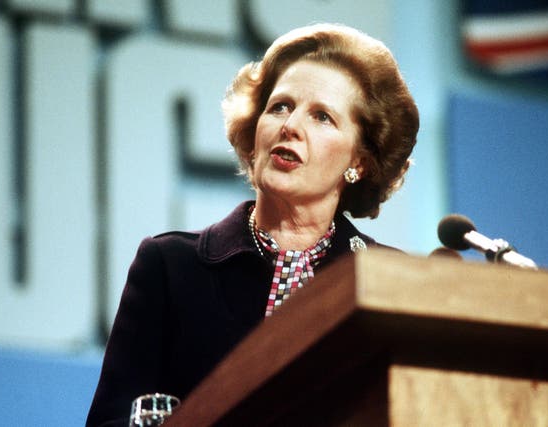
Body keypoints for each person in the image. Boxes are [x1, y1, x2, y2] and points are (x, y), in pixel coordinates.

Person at [86, 23, 419, 426]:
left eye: (322, 117)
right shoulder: (170, 266)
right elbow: (112, 420)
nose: (290, 126)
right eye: (280, 106)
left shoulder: (388, 284)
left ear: (359, 162)